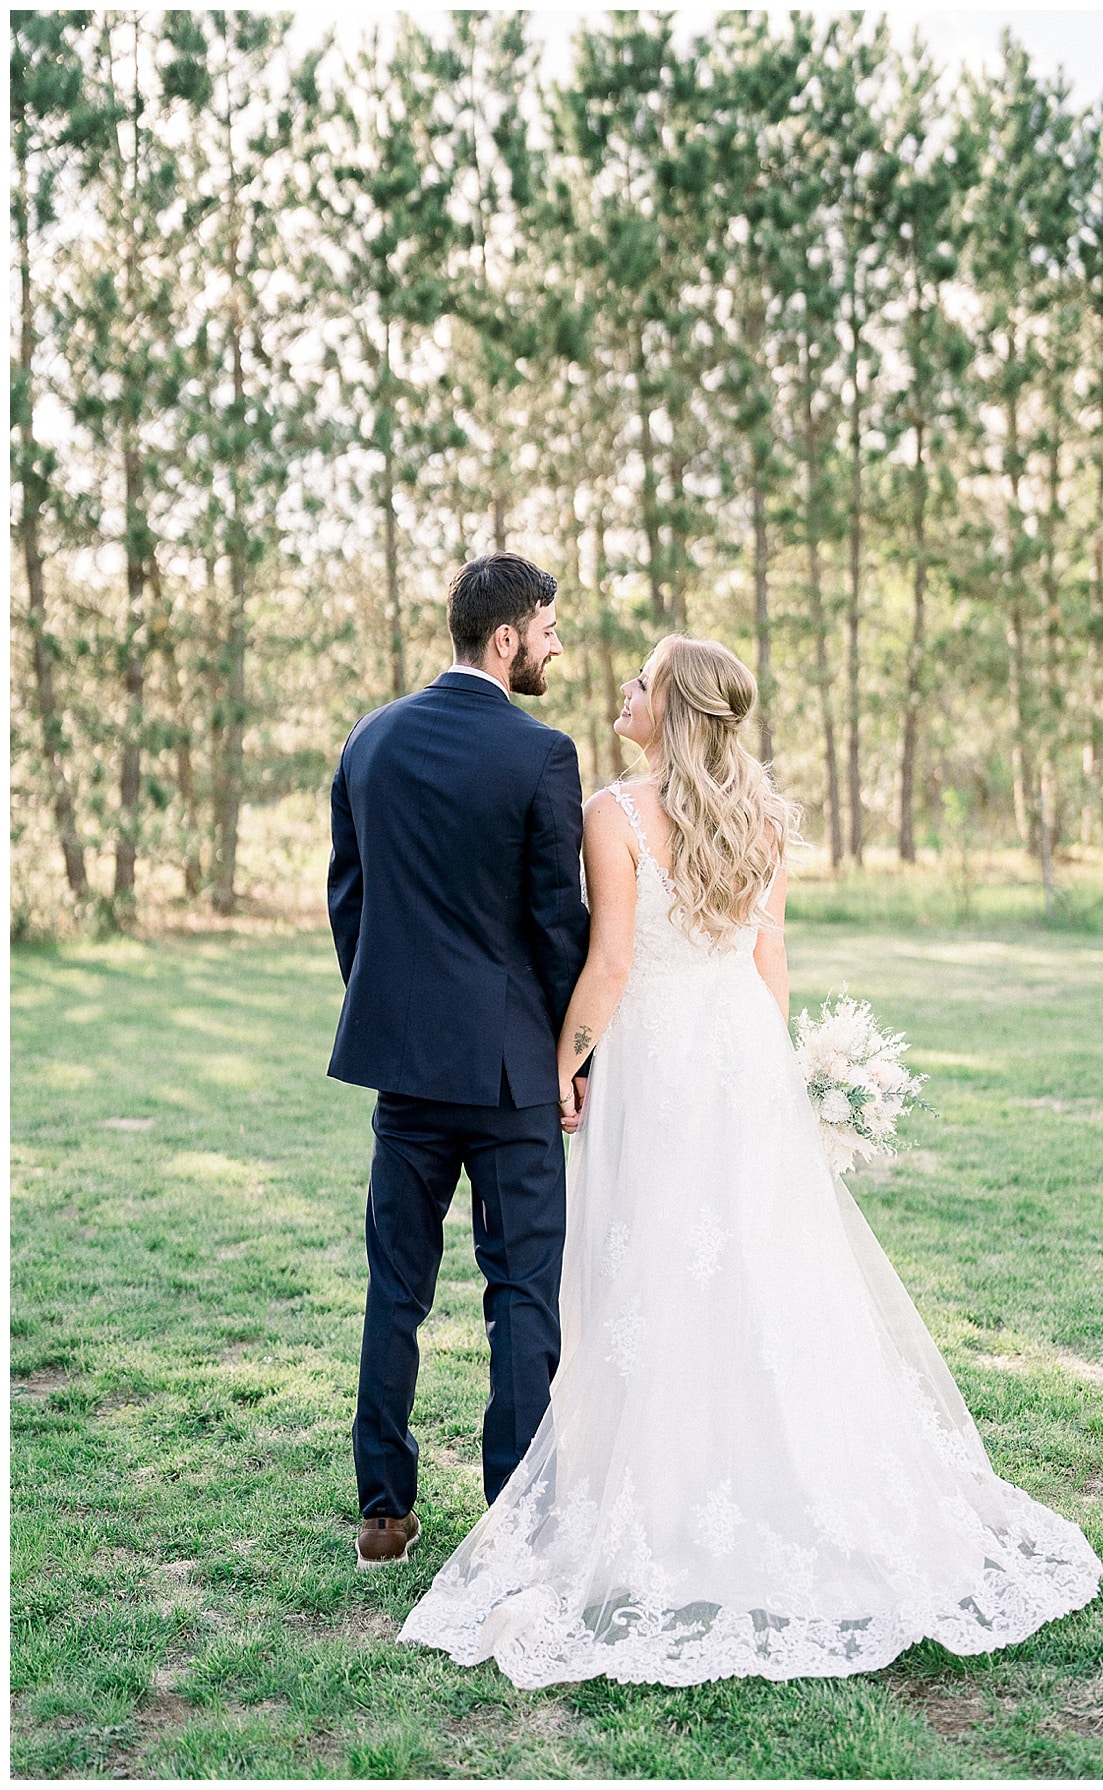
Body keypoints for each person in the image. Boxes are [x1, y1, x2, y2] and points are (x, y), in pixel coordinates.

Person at [400, 634, 1102, 1685]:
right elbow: (770, 960)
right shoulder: (761, 816)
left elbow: (614, 960)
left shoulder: (616, 811)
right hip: (736, 1050)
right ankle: (754, 1478)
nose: (622, 689)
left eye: (639, 680)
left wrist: (564, 1061)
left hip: (659, 1055)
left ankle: (669, 1491)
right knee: (755, 1272)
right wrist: (768, 1078)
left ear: (671, 709)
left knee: (649, 1270)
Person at [327, 553, 590, 1569]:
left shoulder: (369, 740)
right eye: (549, 628)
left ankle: (383, 1513)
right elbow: (557, 925)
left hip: (408, 1074)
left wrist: (392, 1011)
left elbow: (350, 901)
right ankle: (515, 1521)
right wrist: (576, 1055)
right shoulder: (541, 755)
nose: (556, 646)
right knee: (521, 1289)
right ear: (508, 635)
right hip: (515, 1071)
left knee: (396, 1285)